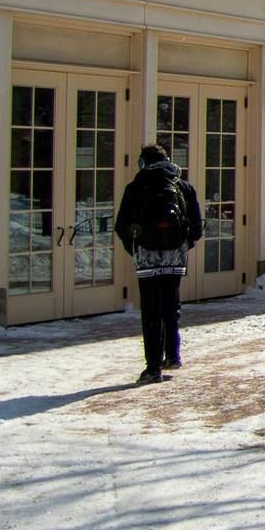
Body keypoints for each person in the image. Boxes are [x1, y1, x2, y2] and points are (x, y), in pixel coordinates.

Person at [114, 144, 203, 386]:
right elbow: (196, 226)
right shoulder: (182, 187)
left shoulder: (135, 188)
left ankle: (153, 366)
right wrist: (184, 244)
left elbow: (121, 225)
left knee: (151, 311)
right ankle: (173, 355)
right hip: (175, 257)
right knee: (170, 303)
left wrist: (136, 246)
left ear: (143, 162)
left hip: (147, 258)